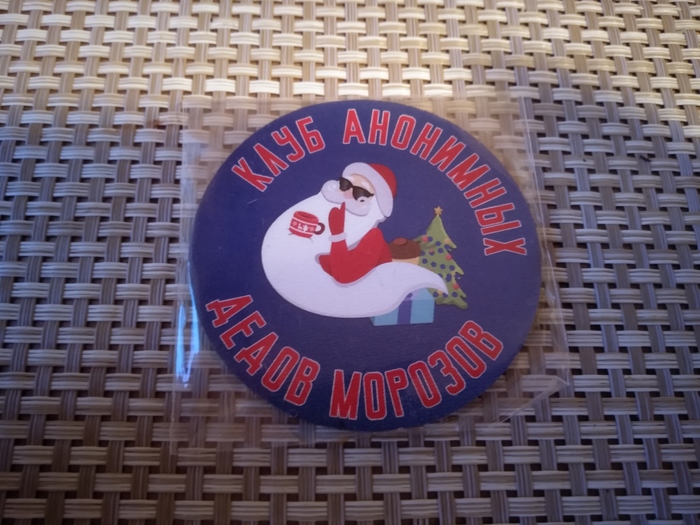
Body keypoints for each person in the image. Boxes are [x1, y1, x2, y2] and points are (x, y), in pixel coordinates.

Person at [318, 163, 396, 284]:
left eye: (360, 193)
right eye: (345, 185)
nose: (347, 194)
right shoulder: (322, 222)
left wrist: (338, 234)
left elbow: (344, 276)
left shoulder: (373, 237)